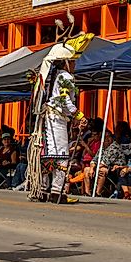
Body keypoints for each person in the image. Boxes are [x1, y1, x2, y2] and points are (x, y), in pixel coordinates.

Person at [31, 41, 86, 204]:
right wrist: (80, 116)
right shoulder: (66, 76)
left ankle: (41, 189)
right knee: (60, 155)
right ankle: (56, 192)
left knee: (49, 153)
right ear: (67, 62)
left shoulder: (52, 75)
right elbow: (64, 100)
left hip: (49, 118)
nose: (75, 64)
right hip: (56, 119)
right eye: (73, 61)